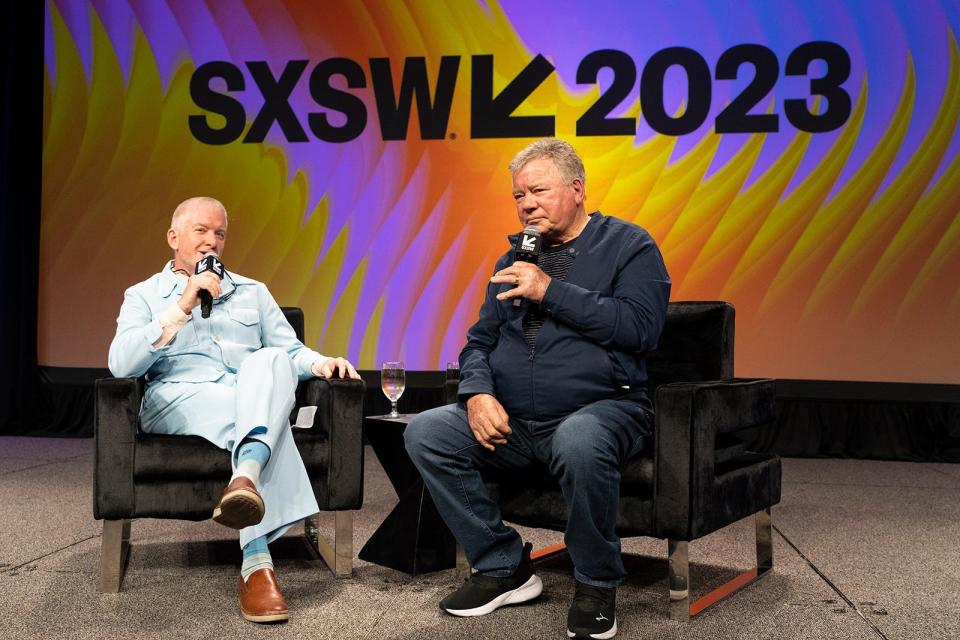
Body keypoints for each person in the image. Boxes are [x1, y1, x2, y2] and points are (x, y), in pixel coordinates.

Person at [404, 139, 670, 639]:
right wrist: (477, 394)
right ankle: (504, 565)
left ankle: (595, 583)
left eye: (538, 190)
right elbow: (479, 342)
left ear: (577, 189)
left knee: (580, 439)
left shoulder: (630, 246)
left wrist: (550, 290)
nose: (526, 203)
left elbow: (640, 328)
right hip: (516, 421)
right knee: (427, 432)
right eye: (518, 195)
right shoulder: (514, 257)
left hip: (604, 409)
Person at [107, 196, 360, 624]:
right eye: (200, 231)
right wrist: (183, 304)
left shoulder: (253, 292)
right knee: (264, 415)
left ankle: (246, 480)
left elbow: (289, 352)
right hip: (178, 397)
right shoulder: (144, 294)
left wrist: (320, 363)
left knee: (271, 362)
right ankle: (256, 560)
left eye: (219, 233)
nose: (211, 242)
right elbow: (122, 363)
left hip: (248, 395)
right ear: (174, 238)